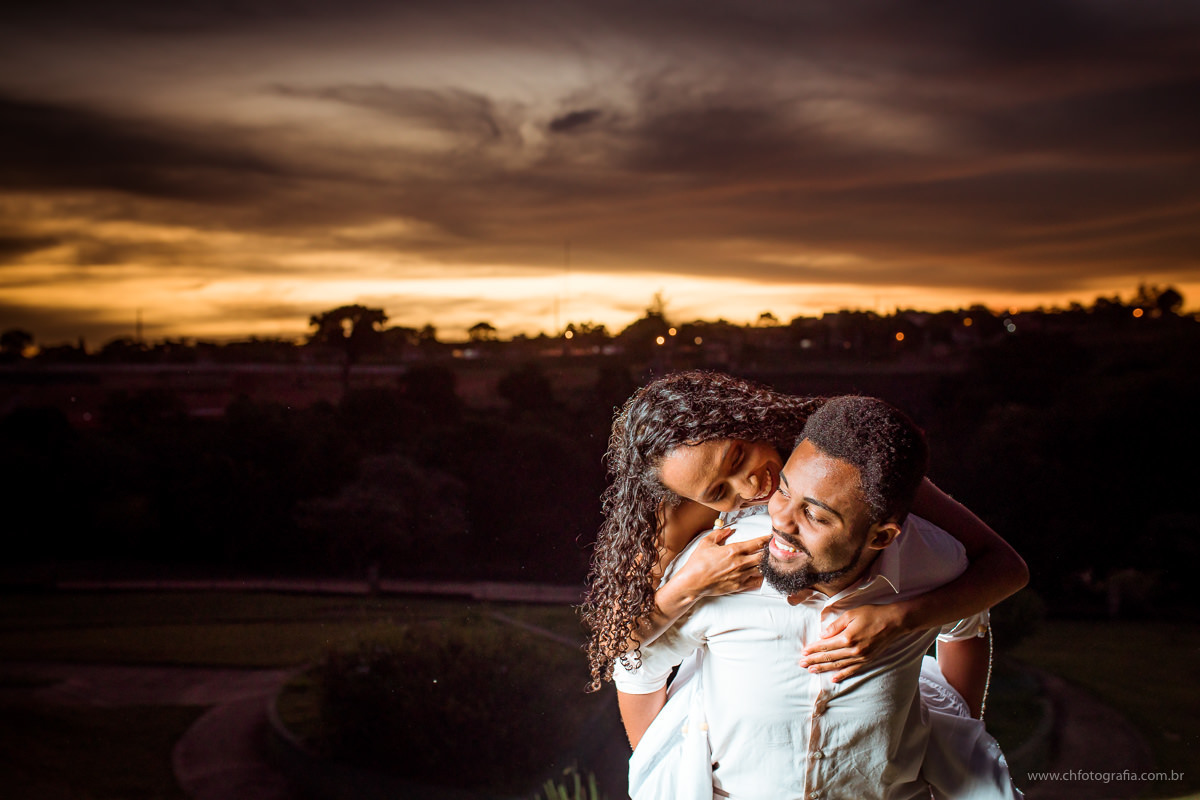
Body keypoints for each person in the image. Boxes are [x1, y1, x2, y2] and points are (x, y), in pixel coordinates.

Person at [614, 395, 1022, 799]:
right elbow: (629, 654)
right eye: (719, 491)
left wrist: (903, 621)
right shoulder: (707, 560)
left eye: (815, 515)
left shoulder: (925, 552)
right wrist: (689, 584)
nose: (762, 497)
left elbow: (980, 605)